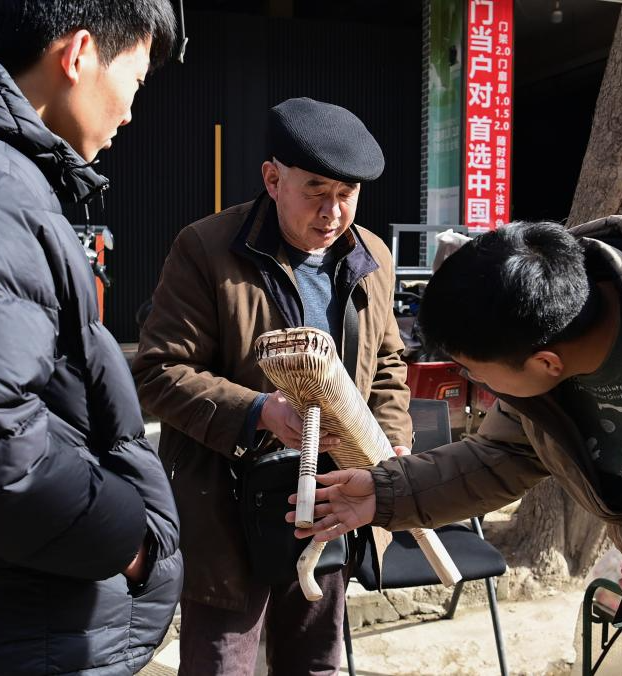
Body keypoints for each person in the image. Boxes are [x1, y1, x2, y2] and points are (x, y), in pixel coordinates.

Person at [291, 218, 622, 675]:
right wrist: (387, 491)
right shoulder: (543, 345)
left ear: (545, 362)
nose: (472, 381)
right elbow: (501, 456)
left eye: (474, 371)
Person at [0, 2, 181, 674]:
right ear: (78, 54)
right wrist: (126, 539)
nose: (131, 111)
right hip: (15, 624)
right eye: (136, 81)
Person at [132, 97, 412, 676]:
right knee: (221, 665)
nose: (333, 213)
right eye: (316, 191)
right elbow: (157, 372)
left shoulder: (372, 257)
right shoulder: (206, 249)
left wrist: (391, 443)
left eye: (347, 194)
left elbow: (387, 365)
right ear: (272, 179)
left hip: (333, 500)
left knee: (315, 663)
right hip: (228, 503)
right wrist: (261, 411)